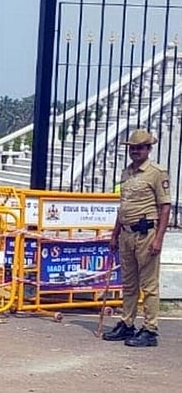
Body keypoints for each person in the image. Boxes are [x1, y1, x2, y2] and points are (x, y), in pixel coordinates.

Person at [102, 129, 171, 347]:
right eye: (132, 148)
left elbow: (165, 207)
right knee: (129, 283)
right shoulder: (127, 173)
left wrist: (158, 238)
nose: (135, 151)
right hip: (126, 234)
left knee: (149, 285)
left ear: (149, 149)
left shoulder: (157, 172)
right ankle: (127, 322)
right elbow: (123, 207)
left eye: (140, 147)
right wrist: (114, 234)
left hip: (146, 233)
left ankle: (150, 329)